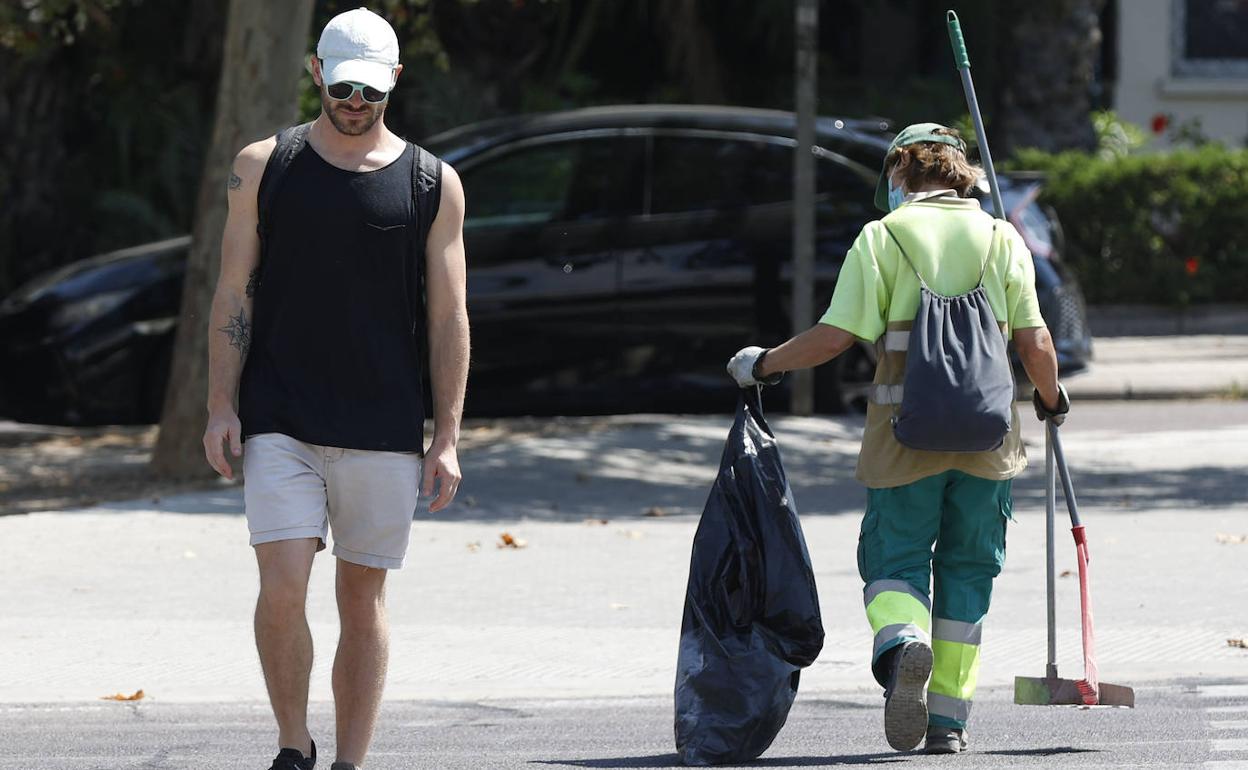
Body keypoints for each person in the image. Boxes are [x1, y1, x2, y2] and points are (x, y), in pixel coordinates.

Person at [727, 123, 1068, 755]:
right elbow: (1037, 342)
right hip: (988, 442)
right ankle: (947, 723)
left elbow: (835, 336)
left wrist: (764, 364)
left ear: (901, 172)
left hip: (902, 439)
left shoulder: (882, 238)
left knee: (894, 562)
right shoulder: (1002, 237)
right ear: (960, 172)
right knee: (968, 573)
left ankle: (902, 643)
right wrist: (1051, 401)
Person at [201, 8, 469, 769]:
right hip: (279, 414)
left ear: (394, 85)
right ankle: (294, 746)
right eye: (343, 86)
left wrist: (445, 434)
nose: (356, 103)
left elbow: (450, 316)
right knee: (282, 581)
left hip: (384, 422)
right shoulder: (265, 166)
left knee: (362, 599)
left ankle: (350, 760)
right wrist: (222, 403)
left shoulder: (432, 183)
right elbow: (232, 292)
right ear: (317, 73)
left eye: (372, 91)